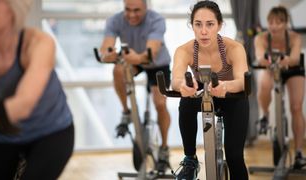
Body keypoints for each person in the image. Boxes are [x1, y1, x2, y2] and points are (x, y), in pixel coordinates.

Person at [0, 0, 74, 179]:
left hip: (51, 132)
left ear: (13, 7)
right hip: (1, 135)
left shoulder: (37, 43)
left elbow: (24, 104)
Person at [172, 1, 249, 179]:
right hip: (203, 91)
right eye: (198, 24)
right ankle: (190, 159)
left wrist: (226, 86)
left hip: (232, 95)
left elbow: (242, 81)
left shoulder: (234, 48)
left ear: (219, 25)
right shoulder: (185, 50)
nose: (204, 31)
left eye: (210, 24)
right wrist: (182, 86)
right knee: (186, 102)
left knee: (235, 157)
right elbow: (176, 78)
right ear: (192, 26)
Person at [99, 0, 171, 172]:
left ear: (146, 8)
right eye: (128, 10)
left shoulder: (156, 20)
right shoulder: (115, 20)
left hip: (155, 62)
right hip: (132, 60)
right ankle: (126, 112)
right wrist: (108, 54)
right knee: (118, 70)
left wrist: (136, 58)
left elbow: (150, 53)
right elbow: (105, 48)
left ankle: (164, 148)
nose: (131, 15)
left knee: (160, 104)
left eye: (137, 10)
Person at [254, 5, 305, 169]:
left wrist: (283, 61)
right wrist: (274, 62)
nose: (273, 26)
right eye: (270, 22)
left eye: (278, 22)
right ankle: (265, 116)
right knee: (263, 83)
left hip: (293, 70)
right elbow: (260, 58)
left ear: (286, 23)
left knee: (296, 107)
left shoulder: (295, 37)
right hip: (272, 68)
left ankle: (298, 153)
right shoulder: (261, 38)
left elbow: (296, 58)